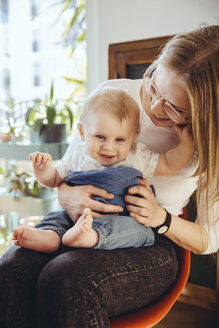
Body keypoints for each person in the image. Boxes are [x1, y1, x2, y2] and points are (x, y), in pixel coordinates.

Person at [0, 25, 218, 328]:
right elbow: (70, 168)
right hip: (77, 219)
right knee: (12, 268)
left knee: (66, 277)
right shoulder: (112, 97)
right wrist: (67, 194)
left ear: (203, 112)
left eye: (174, 107)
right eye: (154, 86)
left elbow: (209, 239)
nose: (154, 107)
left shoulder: (207, 142)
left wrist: (161, 218)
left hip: (147, 236)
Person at [12, 87, 194, 252]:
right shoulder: (78, 155)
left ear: (134, 136)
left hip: (121, 218)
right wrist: (43, 170)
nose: (108, 147)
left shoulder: (137, 155)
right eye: (100, 137)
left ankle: (91, 237)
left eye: (120, 140)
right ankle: (50, 236)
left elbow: (169, 164)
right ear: (82, 133)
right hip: (76, 217)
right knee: (56, 216)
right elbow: (53, 180)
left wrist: (186, 144)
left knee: (141, 231)